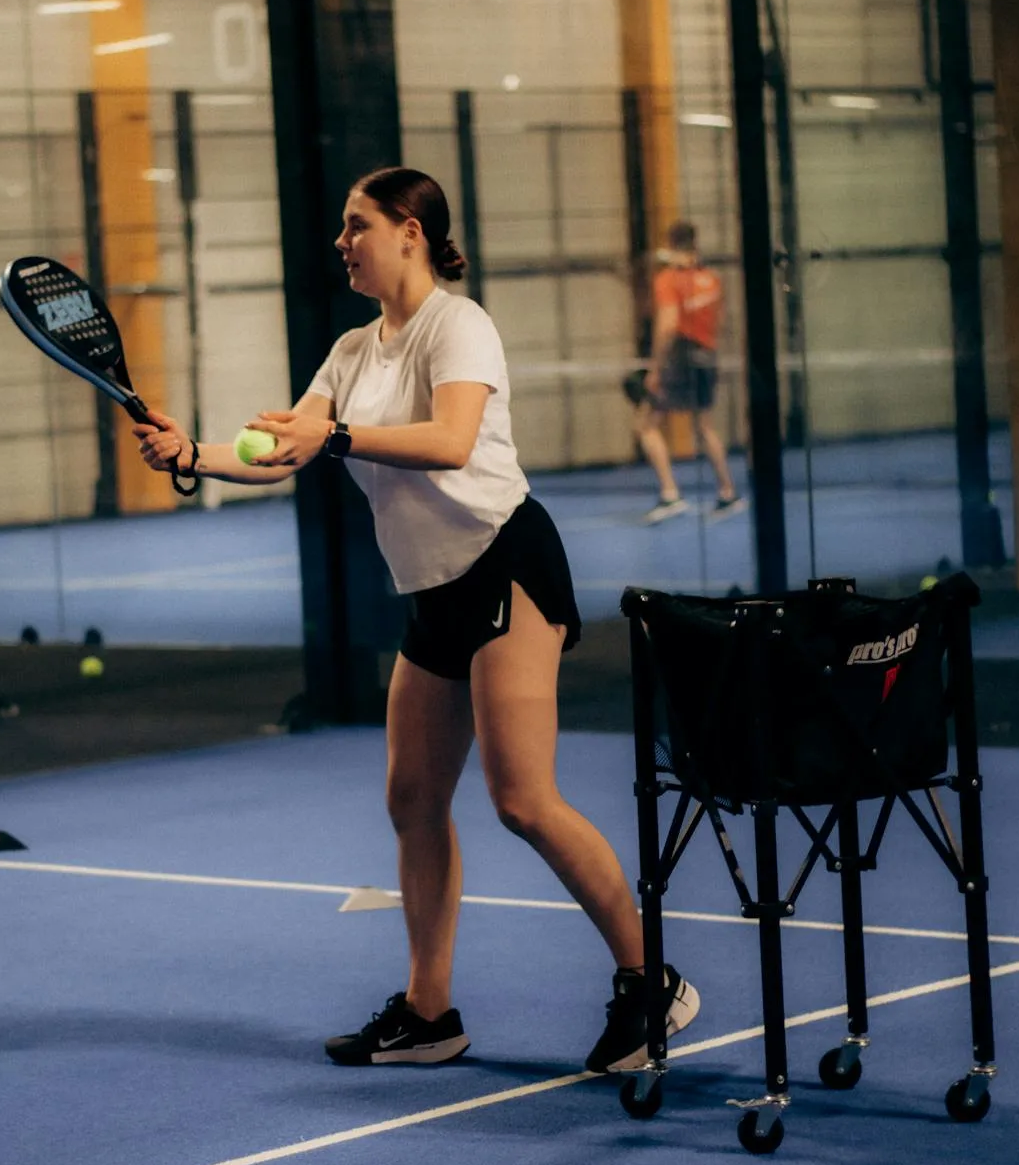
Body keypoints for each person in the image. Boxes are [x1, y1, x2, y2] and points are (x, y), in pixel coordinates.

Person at [132, 167, 700, 1072]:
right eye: (341, 227)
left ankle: (650, 982)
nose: (342, 241)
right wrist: (188, 452)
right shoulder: (353, 352)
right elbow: (285, 449)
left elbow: (452, 441)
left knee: (523, 800)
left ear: (409, 231)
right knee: (412, 799)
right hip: (431, 588)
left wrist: (340, 438)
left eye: (356, 224)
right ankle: (430, 1012)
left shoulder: (459, 324)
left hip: (505, 561)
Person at [635, 221, 744, 525]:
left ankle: (670, 495)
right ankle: (728, 492)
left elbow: (668, 324)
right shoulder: (711, 278)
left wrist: (656, 367)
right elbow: (718, 321)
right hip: (707, 354)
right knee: (704, 425)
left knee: (646, 423)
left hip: (680, 355)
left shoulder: (668, 279)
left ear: (671, 243)